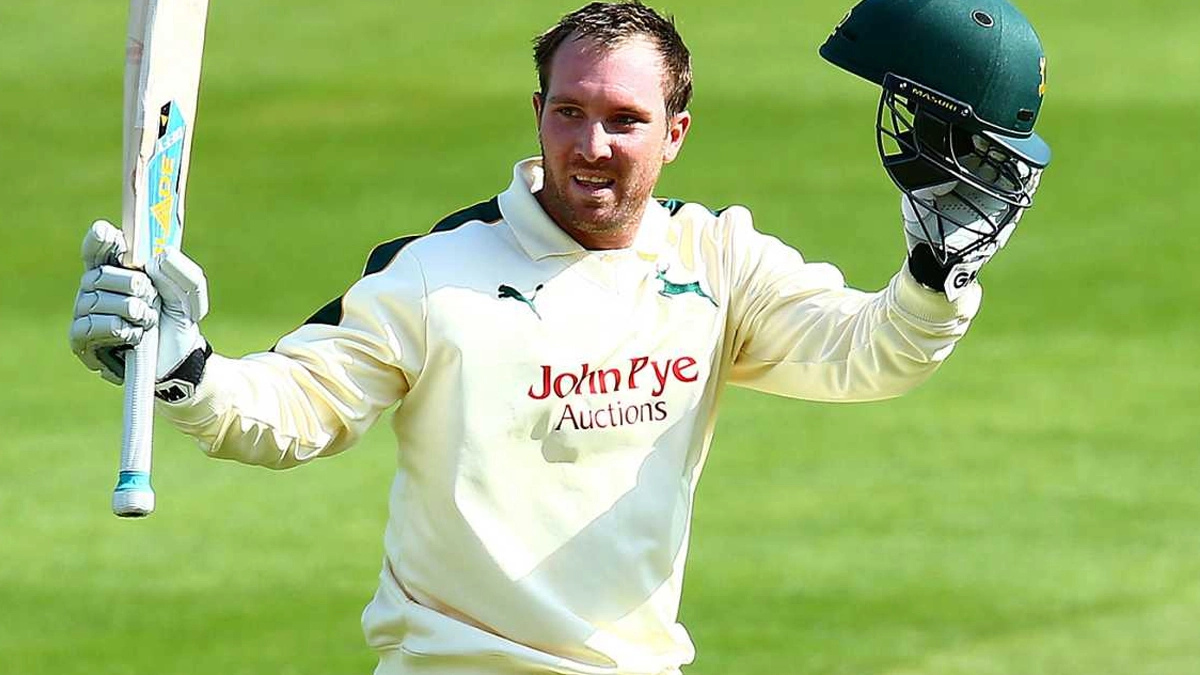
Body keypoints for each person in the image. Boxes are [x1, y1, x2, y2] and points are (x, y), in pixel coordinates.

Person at [69, 1, 1049, 673]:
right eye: (570, 113)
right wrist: (184, 368)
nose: (591, 146)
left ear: (675, 133)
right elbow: (291, 411)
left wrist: (936, 275)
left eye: (625, 120)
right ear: (537, 114)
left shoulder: (717, 260)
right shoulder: (431, 274)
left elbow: (869, 354)